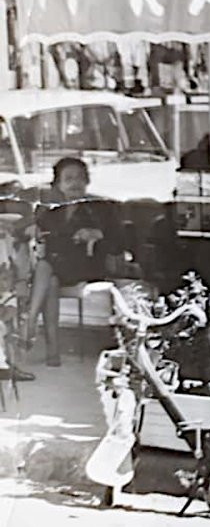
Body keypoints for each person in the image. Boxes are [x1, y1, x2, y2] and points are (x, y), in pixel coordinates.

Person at [25, 157, 121, 368]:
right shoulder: (52, 210)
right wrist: (34, 231)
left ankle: (30, 321)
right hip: (56, 270)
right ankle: (53, 351)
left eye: (79, 177)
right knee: (49, 280)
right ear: (58, 184)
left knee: (45, 268)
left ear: (87, 181)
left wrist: (98, 234)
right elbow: (39, 233)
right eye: (68, 179)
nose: (74, 183)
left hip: (87, 268)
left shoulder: (101, 208)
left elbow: (119, 241)